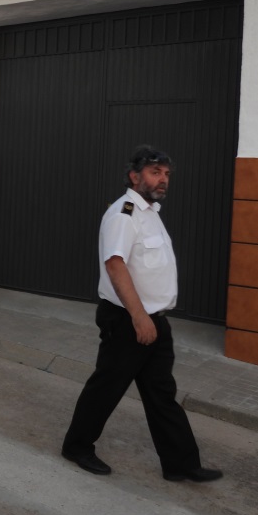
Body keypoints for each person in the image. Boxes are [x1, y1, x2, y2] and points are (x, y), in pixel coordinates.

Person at [61, 146, 222, 483]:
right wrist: (139, 317)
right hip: (128, 319)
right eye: (154, 172)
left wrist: (151, 318)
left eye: (165, 173)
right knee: (107, 386)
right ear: (135, 176)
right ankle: (77, 446)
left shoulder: (151, 213)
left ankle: (180, 463)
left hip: (153, 319)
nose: (162, 179)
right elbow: (115, 264)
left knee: (161, 393)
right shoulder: (125, 213)